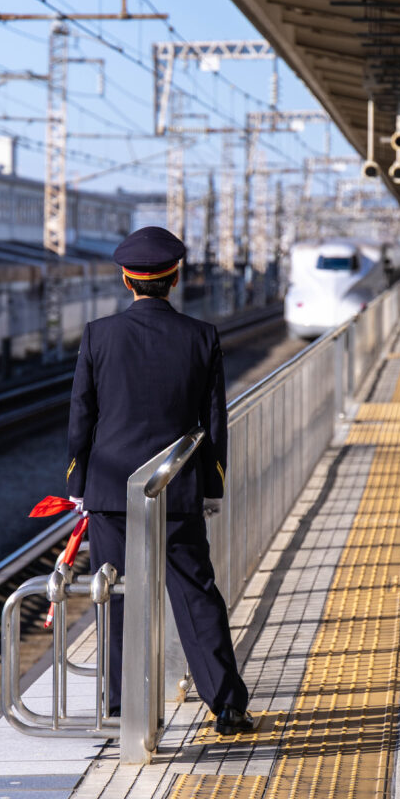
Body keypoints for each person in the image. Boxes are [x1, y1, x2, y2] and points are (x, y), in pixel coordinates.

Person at [66, 225, 253, 735]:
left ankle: (120, 707)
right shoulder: (202, 336)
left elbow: (81, 417)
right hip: (176, 490)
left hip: (111, 492)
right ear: (175, 278)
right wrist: (211, 486)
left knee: (116, 594)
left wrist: (79, 484)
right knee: (195, 594)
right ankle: (227, 706)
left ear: (127, 280)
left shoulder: (98, 334)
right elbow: (213, 422)